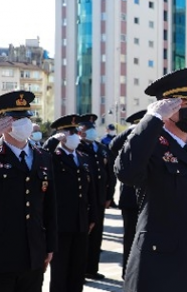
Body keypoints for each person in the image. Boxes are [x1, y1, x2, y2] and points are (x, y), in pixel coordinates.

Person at [115, 67, 187, 291]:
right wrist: (152, 119)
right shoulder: (150, 144)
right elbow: (126, 171)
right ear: (167, 106)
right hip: (160, 267)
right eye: (186, 103)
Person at [0, 92, 56, 292]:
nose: (24, 124)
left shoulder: (43, 157)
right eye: (16, 118)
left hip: (33, 254)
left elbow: (50, 206)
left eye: (26, 118)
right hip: (1, 257)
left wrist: (50, 246)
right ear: (2, 123)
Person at [47, 114, 96, 292]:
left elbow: (92, 191)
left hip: (81, 223)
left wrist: (93, 217)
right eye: (69, 132)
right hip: (61, 224)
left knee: (78, 269)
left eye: (75, 131)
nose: (74, 135)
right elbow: (43, 157)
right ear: (60, 135)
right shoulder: (54, 157)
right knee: (60, 271)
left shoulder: (83, 157)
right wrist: (53, 142)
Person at [108, 109, 146, 279]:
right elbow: (112, 146)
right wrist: (132, 130)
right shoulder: (128, 139)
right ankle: (128, 272)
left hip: (146, 197)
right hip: (130, 199)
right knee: (131, 238)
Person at [77, 114, 115, 281]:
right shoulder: (77, 148)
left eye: (92, 128)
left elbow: (109, 173)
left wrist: (109, 196)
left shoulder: (99, 147)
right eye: (87, 129)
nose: (91, 131)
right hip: (83, 200)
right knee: (83, 238)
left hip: (99, 199)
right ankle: (80, 270)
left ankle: (92, 268)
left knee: (97, 236)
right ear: (80, 132)